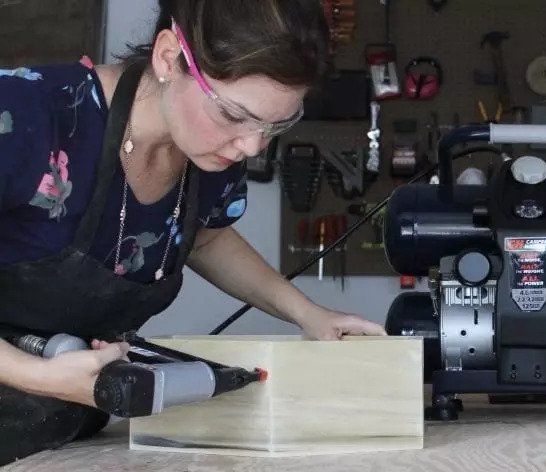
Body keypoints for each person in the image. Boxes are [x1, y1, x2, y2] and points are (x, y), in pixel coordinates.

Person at [0, 0, 386, 464]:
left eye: (275, 124)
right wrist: (36, 376)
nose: (252, 146)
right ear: (169, 57)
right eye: (234, 115)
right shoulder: (26, 116)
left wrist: (308, 314)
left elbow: (205, 236)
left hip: (61, 428)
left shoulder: (212, 158)